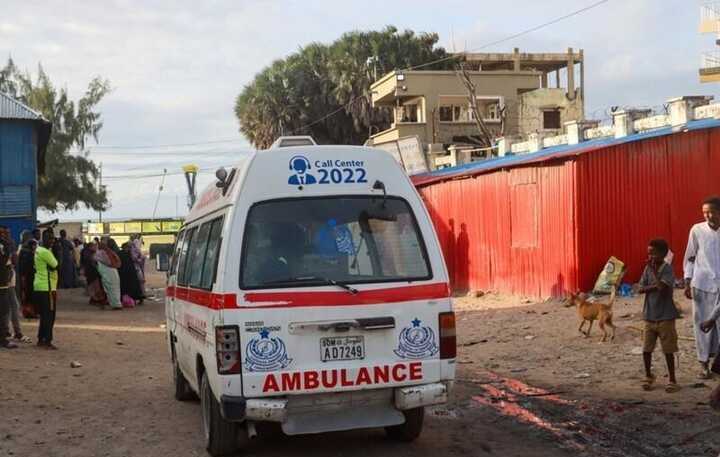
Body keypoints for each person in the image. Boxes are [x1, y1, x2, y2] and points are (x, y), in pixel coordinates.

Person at [683, 196, 720, 379]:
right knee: (702, 326)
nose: (708, 215)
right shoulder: (697, 230)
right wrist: (687, 279)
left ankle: (717, 364)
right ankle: (703, 364)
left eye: (712, 211)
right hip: (702, 285)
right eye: (705, 212)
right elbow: (690, 256)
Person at [638, 239, 680, 393]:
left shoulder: (667, 269)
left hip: (666, 316)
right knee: (646, 349)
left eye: (653, 254)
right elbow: (640, 288)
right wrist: (652, 286)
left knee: (668, 350)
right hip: (649, 315)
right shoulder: (647, 269)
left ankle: (672, 379)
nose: (650, 257)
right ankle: (649, 375)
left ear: (663, 254)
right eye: (649, 253)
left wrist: (654, 280)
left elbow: (662, 288)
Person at [34, 230, 59, 349]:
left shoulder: (38, 250)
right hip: (47, 287)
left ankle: (40, 339)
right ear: (44, 239)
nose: (52, 241)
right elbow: (56, 265)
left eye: (53, 239)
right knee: (50, 315)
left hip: (39, 285)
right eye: (50, 239)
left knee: (44, 315)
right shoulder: (46, 252)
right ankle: (47, 341)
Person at [0, 237, 18, 349]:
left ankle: (3, 339)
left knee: (4, 313)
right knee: (3, 313)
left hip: (4, 286)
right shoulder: (4, 255)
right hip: (2, 286)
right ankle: (2, 340)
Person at [96, 237, 122, 310]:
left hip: (107, 273)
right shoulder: (108, 252)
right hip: (111, 272)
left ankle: (113, 303)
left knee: (109, 289)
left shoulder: (102, 253)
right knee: (113, 288)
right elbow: (116, 262)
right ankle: (116, 303)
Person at [17, 233, 37, 318]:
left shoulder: (23, 251)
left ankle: (28, 312)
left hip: (27, 277)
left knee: (27, 295)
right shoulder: (28, 253)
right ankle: (29, 312)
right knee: (29, 295)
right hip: (28, 277)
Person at [81, 242, 107, 306]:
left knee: (93, 286)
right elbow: (92, 262)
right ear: (90, 247)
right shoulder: (89, 253)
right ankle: (97, 299)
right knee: (95, 286)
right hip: (92, 272)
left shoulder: (86, 252)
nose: (96, 248)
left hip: (90, 272)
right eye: (94, 246)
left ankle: (94, 299)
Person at [130, 234, 147, 299]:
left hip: (137, 267)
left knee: (140, 281)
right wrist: (140, 258)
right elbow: (135, 258)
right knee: (140, 281)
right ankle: (141, 294)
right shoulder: (134, 250)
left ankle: (141, 294)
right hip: (136, 267)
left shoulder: (135, 249)